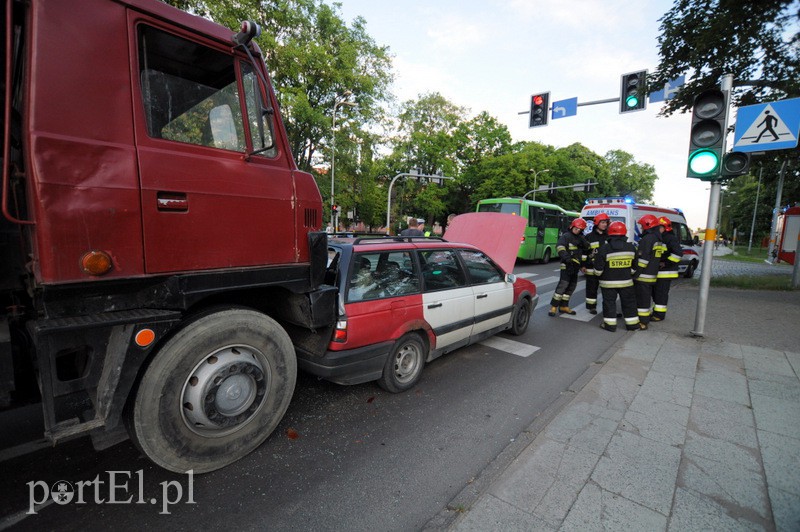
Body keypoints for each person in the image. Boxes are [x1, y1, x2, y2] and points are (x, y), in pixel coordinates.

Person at [594, 221, 639, 332]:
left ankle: (610, 326)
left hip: (608, 283)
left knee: (609, 303)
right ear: (624, 233)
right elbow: (634, 268)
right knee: (629, 303)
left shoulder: (604, 248)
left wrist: (598, 274)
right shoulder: (631, 248)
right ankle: (632, 325)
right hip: (626, 282)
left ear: (610, 233)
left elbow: (598, 270)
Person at [549, 217, 589, 316]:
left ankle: (564, 306)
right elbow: (560, 247)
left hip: (576, 266)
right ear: (572, 227)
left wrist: (584, 241)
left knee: (571, 287)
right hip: (567, 265)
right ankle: (553, 307)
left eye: (580, 230)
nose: (578, 231)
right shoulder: (566, 236)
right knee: (562, 286)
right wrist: (568, 260)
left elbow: (586, 249)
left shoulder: (580, 238)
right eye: (576, 229)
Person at [633, 214, 666, 329]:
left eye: (642, 226)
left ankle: (643, 322)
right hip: (651, 275)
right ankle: (644, 319)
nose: (641, 228)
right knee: (646, 299)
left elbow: (643, 260)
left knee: (642, 301)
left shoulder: (647, 239)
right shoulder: (657, 238)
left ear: (648, 225)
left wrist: (635, 274)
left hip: (643, 275)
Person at [652, 216, 683, 321]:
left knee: (661, 294)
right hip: (660, 272)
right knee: (656, 293)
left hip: (666, 272)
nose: (656, 229)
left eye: (658, 227)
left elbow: (678, 254)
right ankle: (656, 312)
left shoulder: (670, 238)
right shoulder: (661, 237)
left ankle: (659, 315)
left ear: (664, 228)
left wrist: (665, 263)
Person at [583, 213, 610, 314]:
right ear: (597, 223)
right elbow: (584, 253)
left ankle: (608, 309)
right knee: (591, 288)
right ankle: (591, 307)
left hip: (606, 267)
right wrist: (583, 265)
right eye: (602, 222)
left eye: (606, 223)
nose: (605, 225)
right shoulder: (589, 237)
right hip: (591, 267)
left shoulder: (609, 236)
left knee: (608, 291)